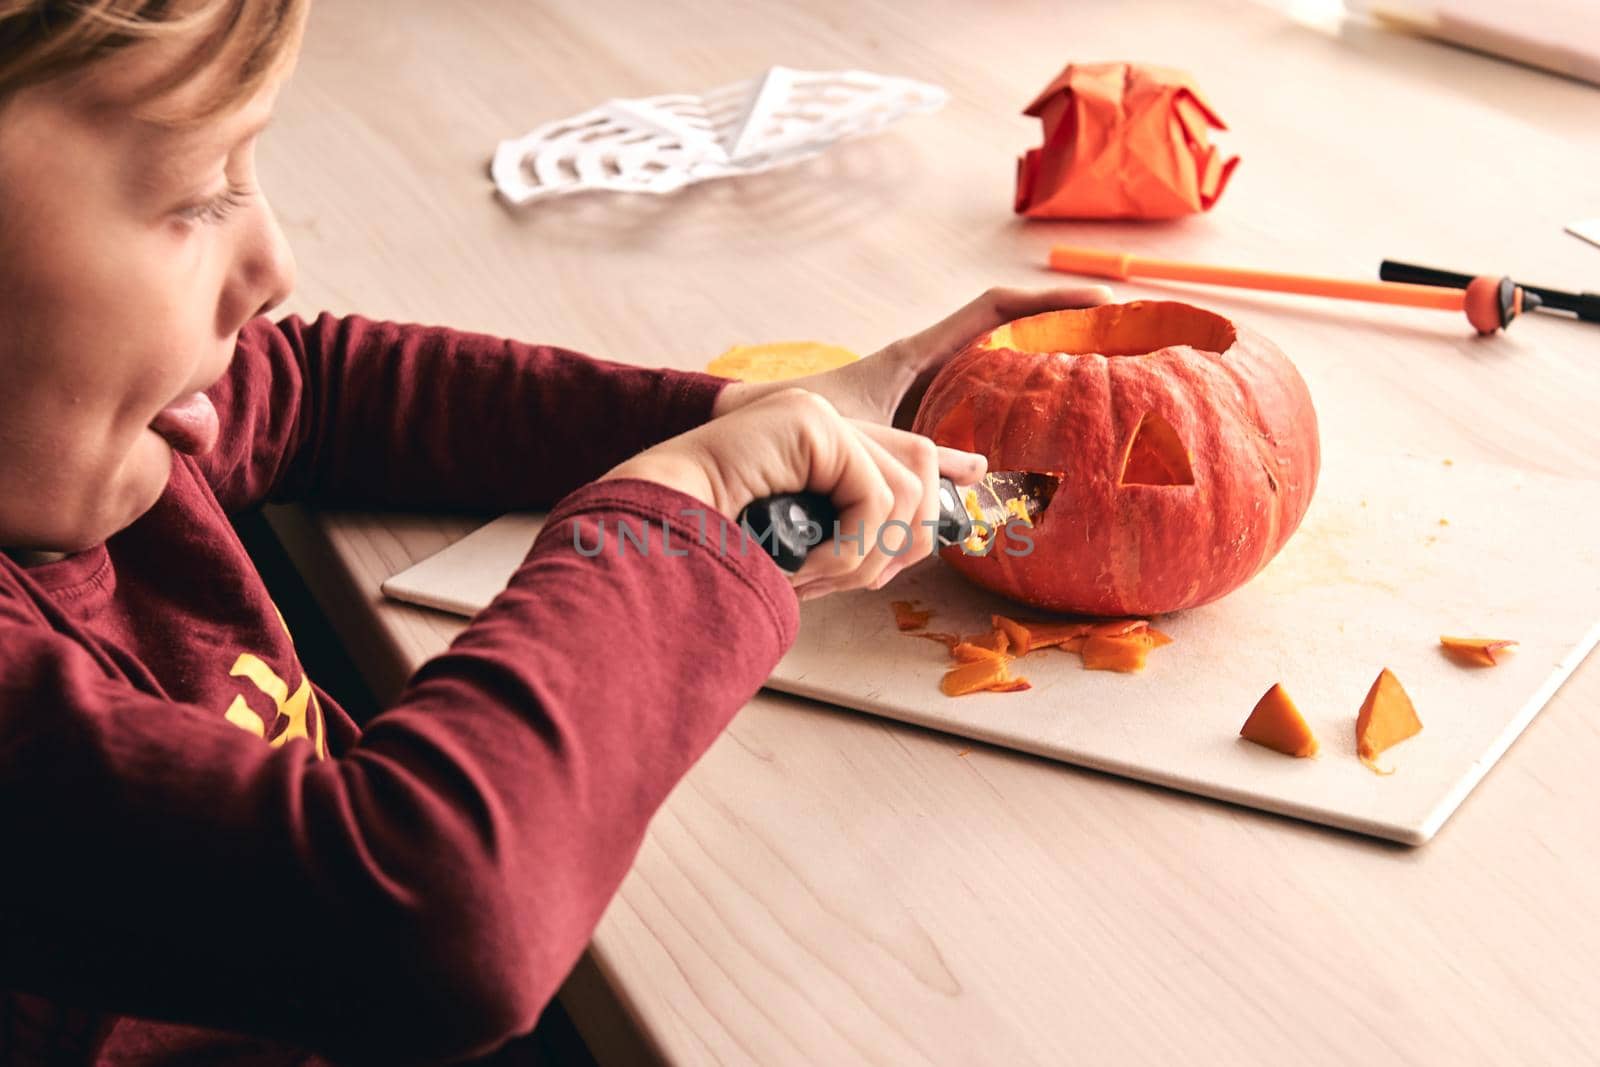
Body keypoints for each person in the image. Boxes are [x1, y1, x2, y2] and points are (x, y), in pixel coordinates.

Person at [0, 1, 1109, 1063]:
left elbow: (319, 388)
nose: (273, 265)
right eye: (197, 195)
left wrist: (723, 420)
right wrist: (665, 527)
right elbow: (434, 913)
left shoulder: (95, 435)